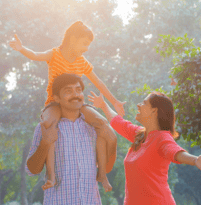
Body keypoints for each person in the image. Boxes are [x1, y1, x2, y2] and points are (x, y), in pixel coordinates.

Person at [10, 20, 123, 192]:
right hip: (54, 103)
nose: (86, 48)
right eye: (84, 43)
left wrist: (114, 101)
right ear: (72, 39)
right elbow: (35, 55)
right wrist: (21, 48)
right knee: (48, 126)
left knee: (102, 125)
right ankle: (51, 176)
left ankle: (101, 174)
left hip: (76, 103)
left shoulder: (82, 61)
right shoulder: (55, 54)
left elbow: (98, 81)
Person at [88, 91, 201, 205]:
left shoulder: (162, 138)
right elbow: (118, 122)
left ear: (154, 111)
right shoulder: (139, 135)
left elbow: (174, 152)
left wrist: (195, 160)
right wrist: (103, 105)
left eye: (143, 103)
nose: (138, 105)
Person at [25, 74, 117, 205]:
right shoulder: (46, 127)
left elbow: (107, 167)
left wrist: (112, 140)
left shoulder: (94, 129)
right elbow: (32, 170)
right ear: (57, 98)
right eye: (68, 91)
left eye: (78, 90)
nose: (76, 94)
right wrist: (45, 143)